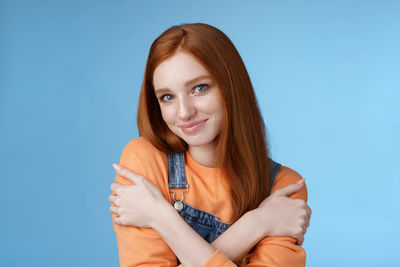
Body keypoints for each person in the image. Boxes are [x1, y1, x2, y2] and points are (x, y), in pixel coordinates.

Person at [108, 23, 312, 267]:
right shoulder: (144, 159)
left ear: (231, 86)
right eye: (167, 97)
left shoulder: (283, 188)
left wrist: (159, 216)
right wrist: (256, 225)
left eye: (199, 88)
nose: (184, 112)